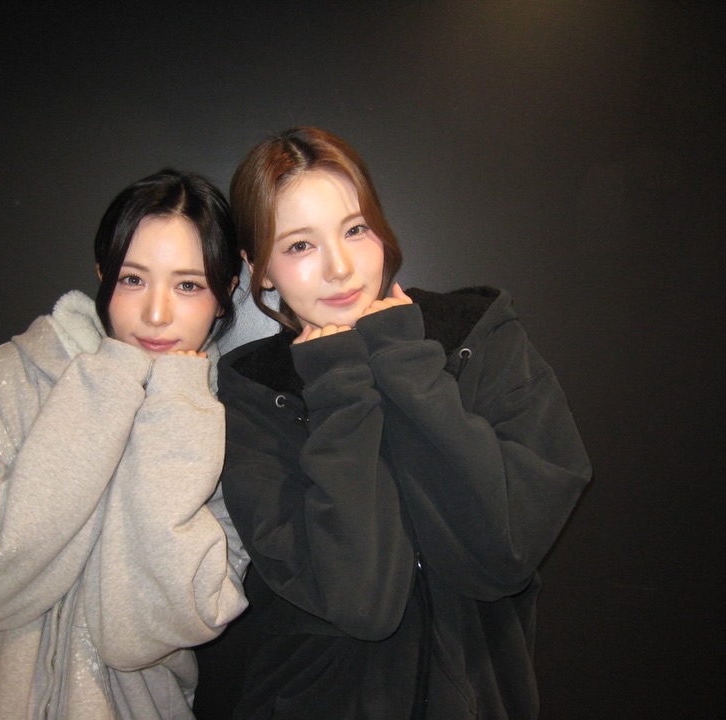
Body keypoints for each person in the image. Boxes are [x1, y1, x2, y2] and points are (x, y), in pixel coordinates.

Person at [195, 128, 592, 719]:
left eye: (355, 230)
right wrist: (338, 388)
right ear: (261, 269)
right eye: (300, 245)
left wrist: (407, 367)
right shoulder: (253, 394)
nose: (340, 267)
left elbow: (500, 552)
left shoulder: (478, 335)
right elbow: (364, 601)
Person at [0, 169, 248, 720]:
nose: (156, 313)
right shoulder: (13, 377)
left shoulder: (230, 429)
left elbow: (140, 632)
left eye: (189, 285)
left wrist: (177, 411)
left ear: (224, 295)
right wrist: (107, 383)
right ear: (103, 276)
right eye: (132, 279)